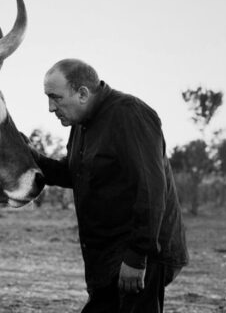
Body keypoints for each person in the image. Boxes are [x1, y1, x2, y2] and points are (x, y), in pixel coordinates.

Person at [30, 59, 188, 312]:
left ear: (82, 93)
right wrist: (31, 157)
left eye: (55, 97)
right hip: (109, 256)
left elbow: (150, 187)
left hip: (140, 254)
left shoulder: (129, 113)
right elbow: (75, 174)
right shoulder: (83, 124)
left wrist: (137, 257)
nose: (50, 107)